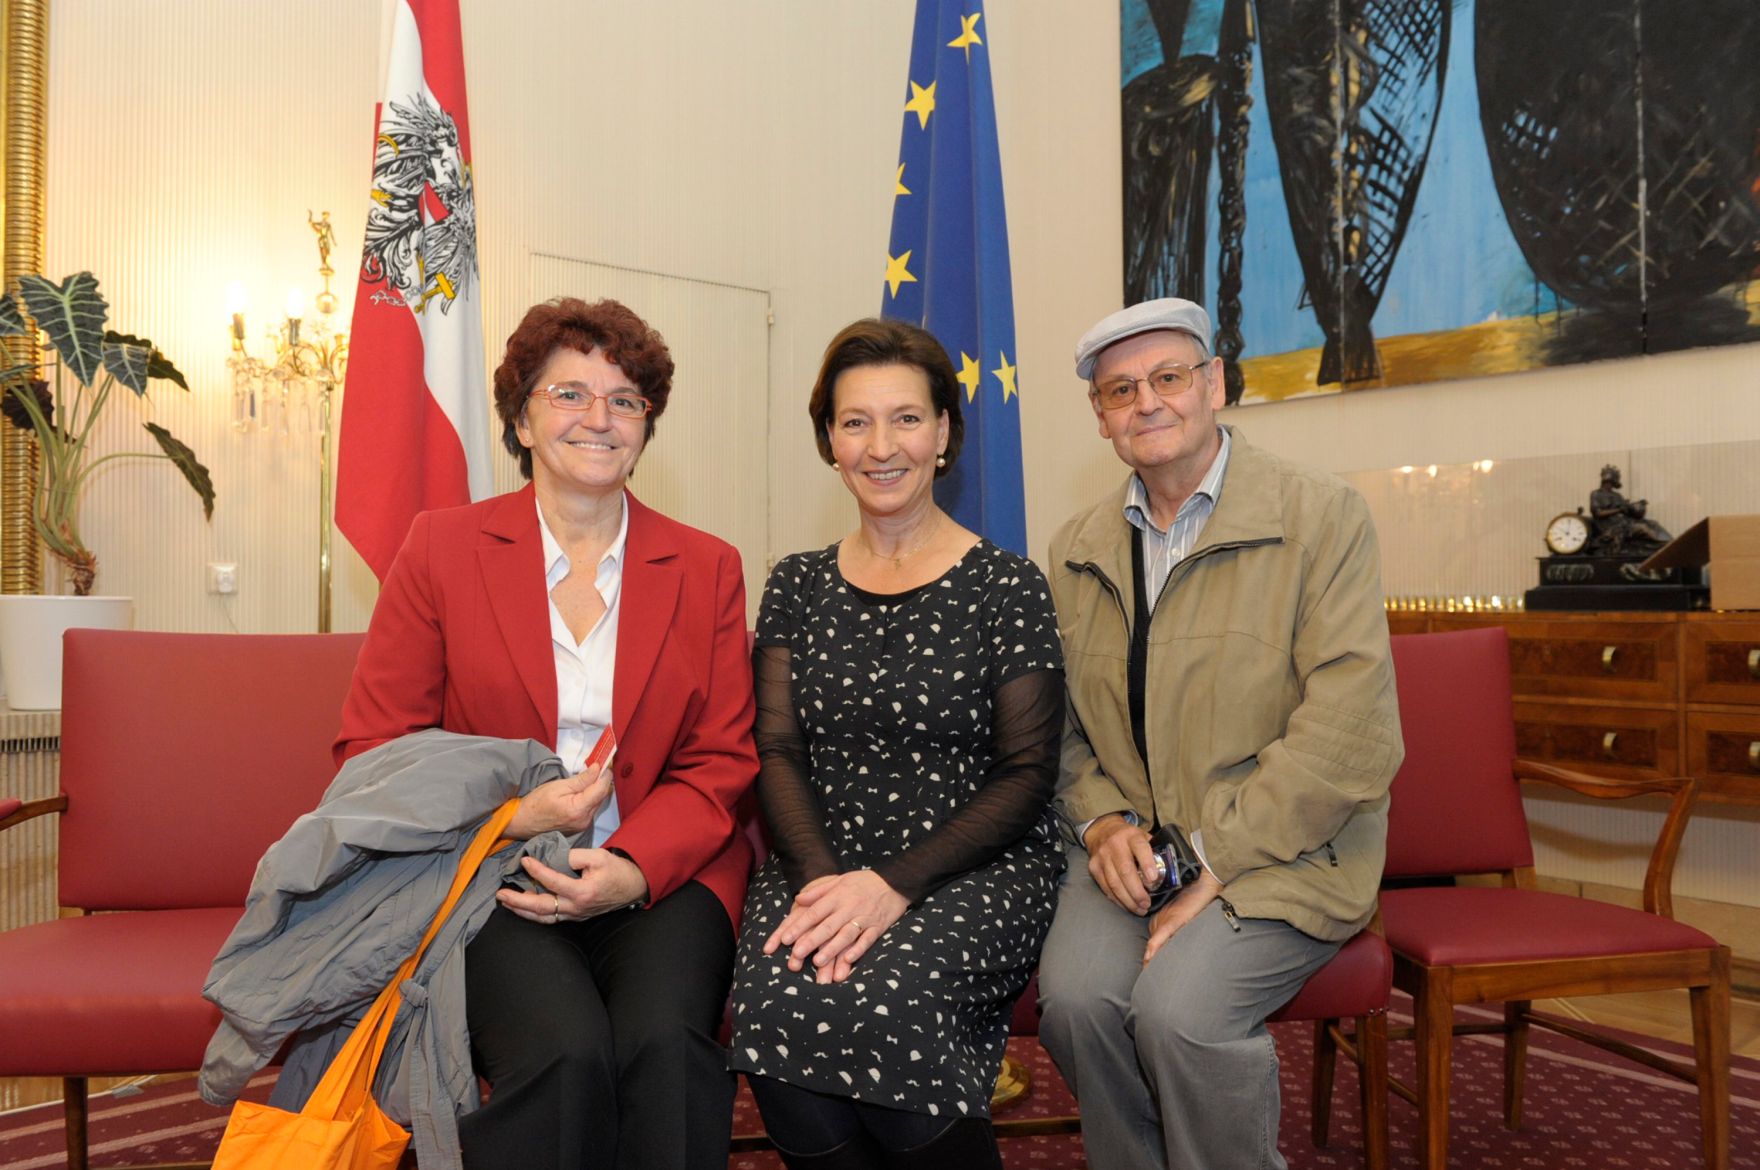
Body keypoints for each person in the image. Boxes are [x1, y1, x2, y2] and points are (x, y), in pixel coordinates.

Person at [335, 297, 758, 1170]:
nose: (598, 419)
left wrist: (634, 867)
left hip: (660, 874)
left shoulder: (707, 564)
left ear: (647, 424)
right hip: (492, 876)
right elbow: (374, 749)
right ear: (522, 417)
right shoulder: (440, 548)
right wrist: (510, 820)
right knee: (562, 1055)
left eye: (626, 399)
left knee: (666, 1047)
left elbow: (720, 758)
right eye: (568, 394)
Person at [1036, 298, 1403, 1170]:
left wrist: (1216, 860)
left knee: (1181, 1014)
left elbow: (1351, 730)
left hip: (1287, 852)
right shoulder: (1075, 548)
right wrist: (1099, 824)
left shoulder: (1322, 517)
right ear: (1100, 418)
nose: (1147, 403)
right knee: (1078, 1003)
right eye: (1120, 390)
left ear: (1216, 385)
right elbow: (1060, 729)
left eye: (1169, 378)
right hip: (1132, 855)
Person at [728, 318, 1064, 1170]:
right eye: (855, 422)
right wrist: (824, 886)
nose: (882, 446)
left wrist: (890, 888)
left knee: (893, 1002)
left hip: (972, 863)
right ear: (829, 441)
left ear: (945, 432)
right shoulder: (795, 583)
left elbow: (1027, 774)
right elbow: (777, 749)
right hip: (822, 858)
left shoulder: (1008, 585)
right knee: (770, 999)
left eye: (907, 419)